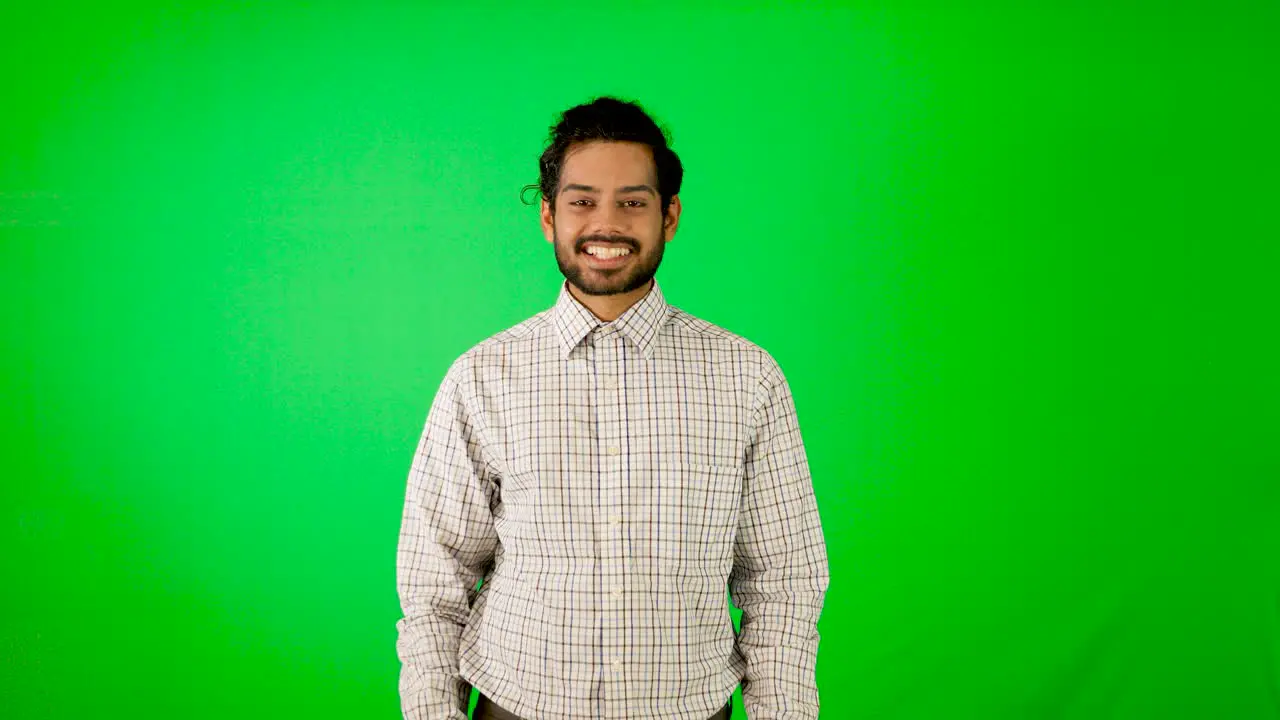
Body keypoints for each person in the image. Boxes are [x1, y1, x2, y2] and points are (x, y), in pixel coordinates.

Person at [396, 96, 829, 720]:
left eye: (632, 201)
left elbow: (784, 583)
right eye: (582, 201)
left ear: (669, 215)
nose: (607, 224)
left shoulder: (748, 377)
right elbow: (435, 583)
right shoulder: (481, 377)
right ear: (549, 216)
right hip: (516, 705)